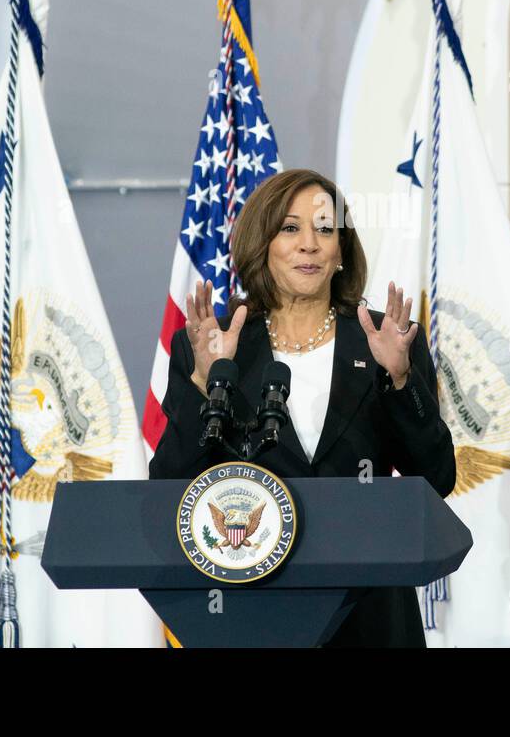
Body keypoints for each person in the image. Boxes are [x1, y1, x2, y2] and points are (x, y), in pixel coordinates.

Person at [149, 167, 455, 646]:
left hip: (370, 610)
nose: (309, 244)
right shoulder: (216, 343)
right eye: (290, 228)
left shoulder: (386, 339)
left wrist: (398, 380)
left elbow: (437, 477)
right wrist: (202, 380)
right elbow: (168, 483)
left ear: (341, 251)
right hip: (250, 604)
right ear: (261, 243)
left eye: (325, 229)